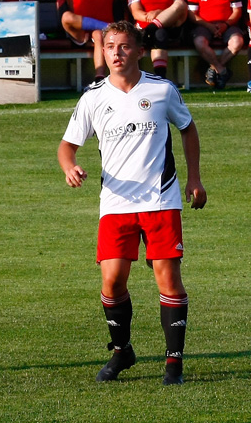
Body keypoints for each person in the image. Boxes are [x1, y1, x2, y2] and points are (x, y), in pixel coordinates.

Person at [58, 20, 206, 386]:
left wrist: (194, 178)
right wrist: (69, 166)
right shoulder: (93, 97)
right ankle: (122, 351)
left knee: (168, 280)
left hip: (161, 198)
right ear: (103, 51)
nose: (116, 53)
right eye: (110, 46)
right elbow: (67, 146)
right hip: (116, 202)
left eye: (124, 46)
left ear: (139, 51)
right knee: (111, 282)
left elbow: (187, 128)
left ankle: (174, 364)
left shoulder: (161, 90)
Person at [185, 0, 245, 89]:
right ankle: (222, 71)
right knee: (199, 42)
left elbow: (237, 11)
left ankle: (214, 69)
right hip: (204, 25)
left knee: (237, 42)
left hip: (227, 24)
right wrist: (209, 26)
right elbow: (192, 15)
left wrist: (225, 25)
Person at [127, 0, 188, 81]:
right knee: (159, 34)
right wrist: (155, 17)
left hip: (170, 27)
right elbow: (136, 13)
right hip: (143, 29)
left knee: (180, 5)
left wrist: (158, 12)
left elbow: (180, 11)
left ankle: (150, 30)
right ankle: (161, 78)